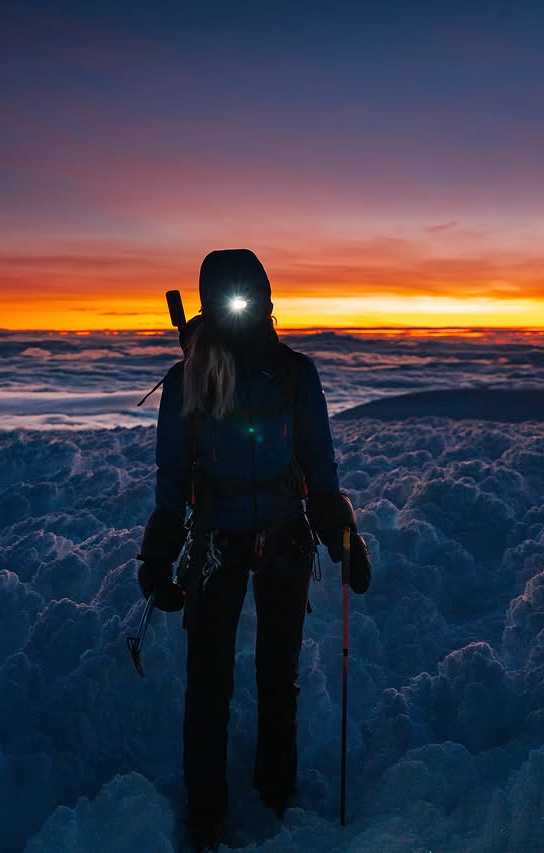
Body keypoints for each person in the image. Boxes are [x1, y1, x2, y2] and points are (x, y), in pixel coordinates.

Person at [137, 249, 371, 852]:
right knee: (209, 679)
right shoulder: (193, 375)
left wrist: (343, 531)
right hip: (218, 539)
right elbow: (171, 472)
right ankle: (208, 808)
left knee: (276, 673)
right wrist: (159, 552)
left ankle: (274, 790)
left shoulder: (295, 373)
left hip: (286, 536)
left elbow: (319, 462)